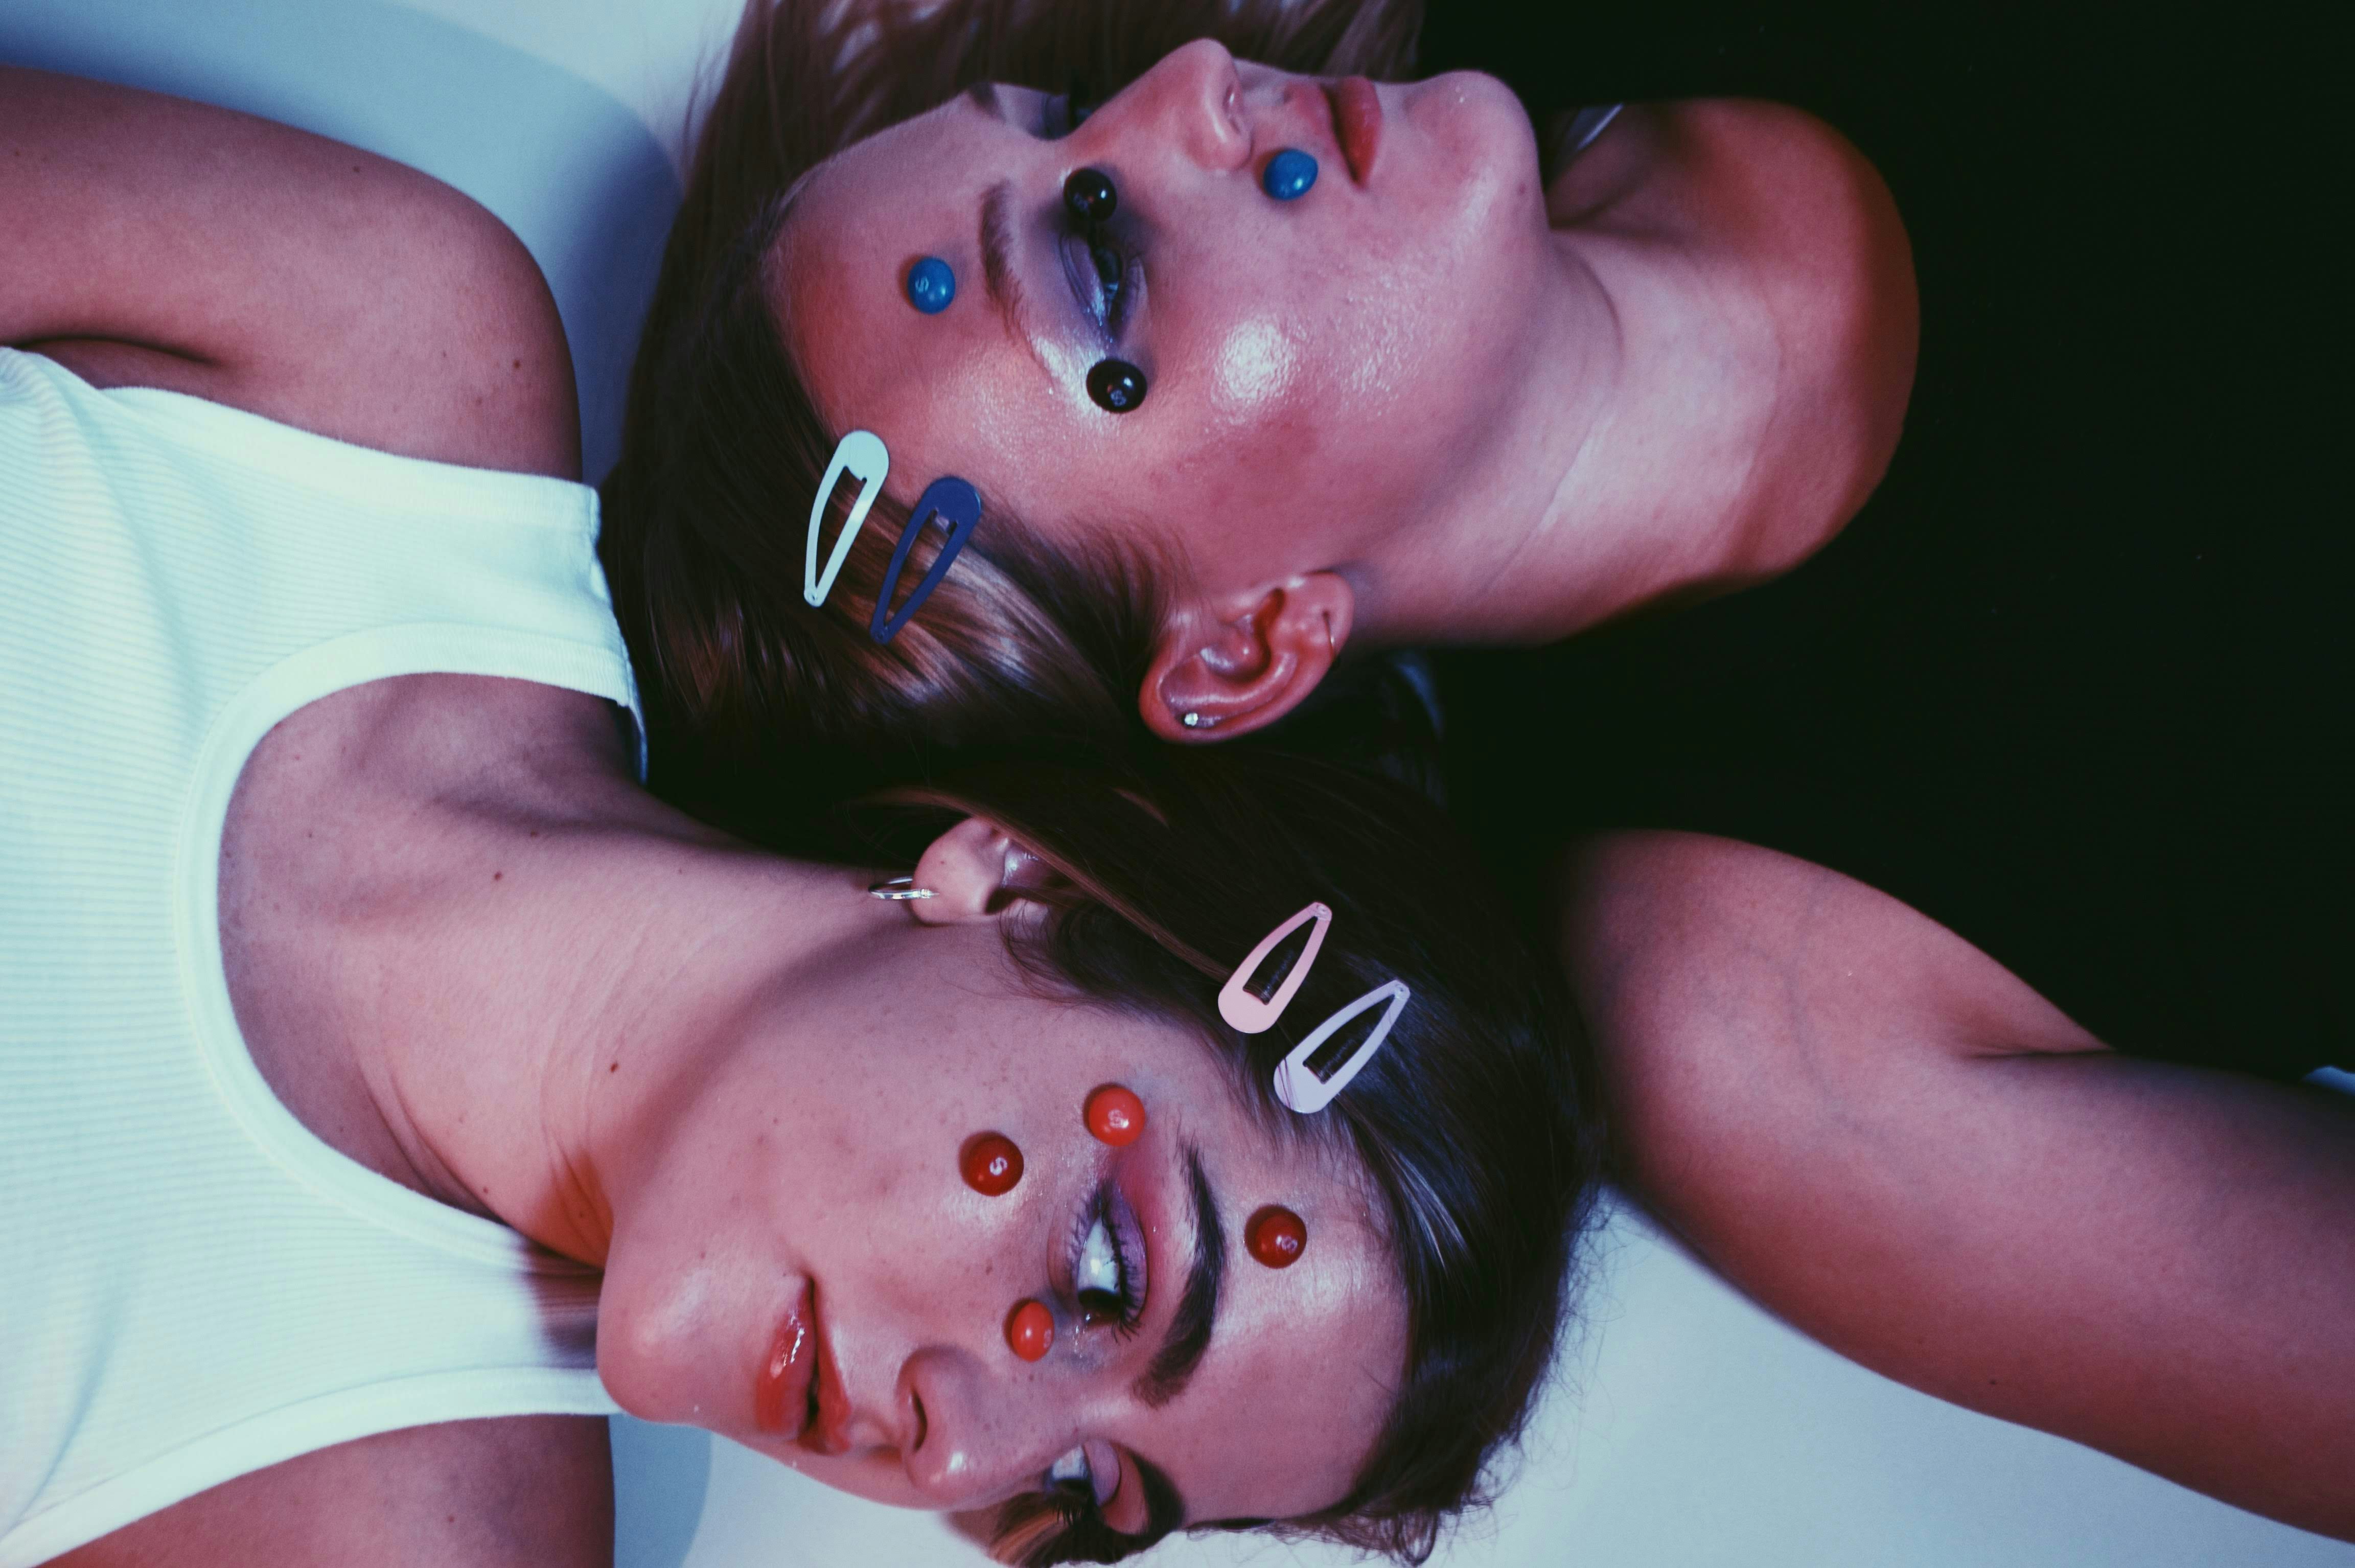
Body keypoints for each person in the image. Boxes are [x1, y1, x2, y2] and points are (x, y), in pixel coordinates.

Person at [597, 0, 2354, 1540]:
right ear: (1239, 653)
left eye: (1066, 124)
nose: (1194, 86)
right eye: (1104, 261)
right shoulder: (1758, 1010)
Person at [0, 67, 1601, 1568]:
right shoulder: (377, 381)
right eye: (1108, 1267)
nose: (956, 1458)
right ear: (1023, 874)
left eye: (1079, 1499)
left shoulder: (400, 1538)